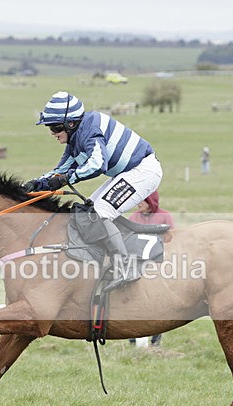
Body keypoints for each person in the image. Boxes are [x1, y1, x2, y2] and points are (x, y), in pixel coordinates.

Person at [24, 91, 163, 292]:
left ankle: (126, 268)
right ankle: (105, 259)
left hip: (143, 171)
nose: (52, 133)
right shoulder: (75, 138)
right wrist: (37, 185)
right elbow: (61, 169)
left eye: (55, 127)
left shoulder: (90, 129)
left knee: (100, 212)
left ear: (70, 123)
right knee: (87, 212)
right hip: (128, 172)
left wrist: (65, 179)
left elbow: (98, 164)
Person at [128, 190, 175, 347]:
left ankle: (155, 340)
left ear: (151, 202)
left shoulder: (165, 217)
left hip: (158, 265)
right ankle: (132, 337)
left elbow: (171, 239)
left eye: (142, 201)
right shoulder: (134, 217)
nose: (138, 204)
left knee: (156, 302)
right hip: (137, 264)